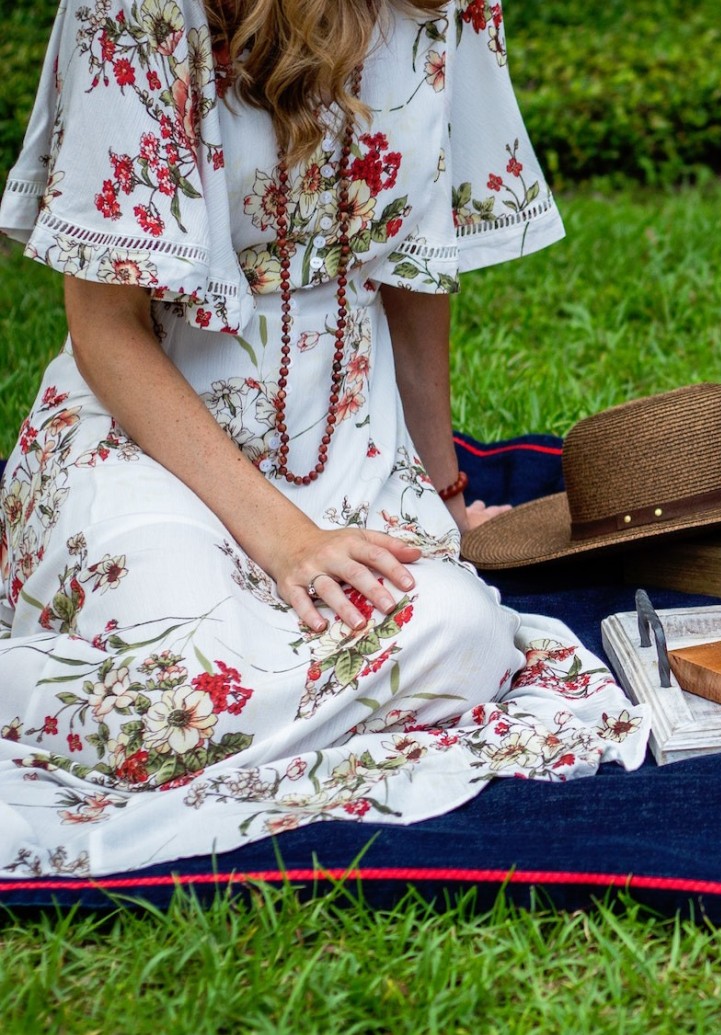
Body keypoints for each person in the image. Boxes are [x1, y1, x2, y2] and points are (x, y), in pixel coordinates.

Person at [0, 0, 648, 879]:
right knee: (169, 703)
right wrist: (289, 544)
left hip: (349, 446)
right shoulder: (134, 8)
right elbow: (104, 328)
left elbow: (418, 262)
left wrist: (445, 494)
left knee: (466, 633)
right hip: (147, 445)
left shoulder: (436, 4)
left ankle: (272, 687)